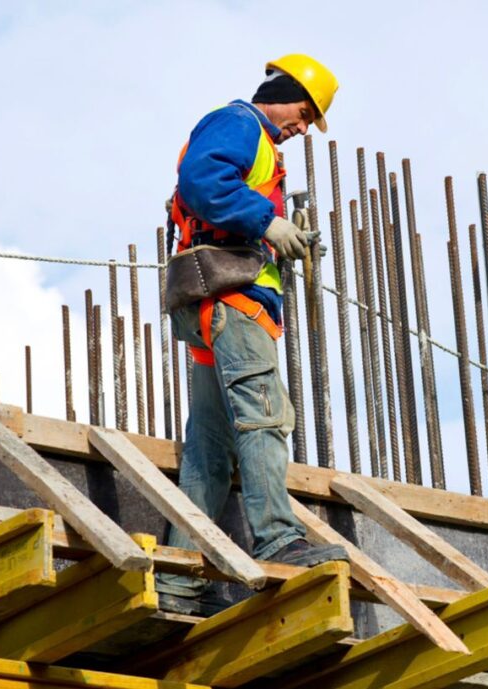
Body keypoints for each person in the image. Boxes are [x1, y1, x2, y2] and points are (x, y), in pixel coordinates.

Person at [156, 54, 345, 616]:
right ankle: (279, 537)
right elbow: (202, 181)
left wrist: (277, 233)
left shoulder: (261, 147)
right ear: (281, 92)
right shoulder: (240, 123)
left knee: (210, 450)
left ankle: (181, 577)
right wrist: (267, 223)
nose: (303, 127)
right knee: (265, 416)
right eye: (304, 113)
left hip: (216, 305)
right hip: (232, 303)